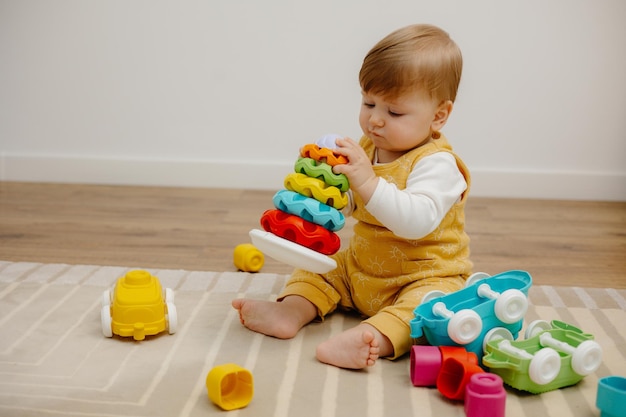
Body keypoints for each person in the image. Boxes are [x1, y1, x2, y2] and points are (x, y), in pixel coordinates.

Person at [232, 23, 472, 369]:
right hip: (361, 268)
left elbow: (416, 221)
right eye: (368, 102)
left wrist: (367, 182)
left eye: (394, 112)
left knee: (432, 308)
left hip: (423, 275)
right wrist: (321, 192)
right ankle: (291, 312)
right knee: (320, 270)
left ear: (439, 115)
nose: (374, 120)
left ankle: (372, 335)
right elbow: (351, 207)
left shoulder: (439, 164)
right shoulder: (367, 149)